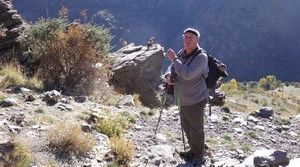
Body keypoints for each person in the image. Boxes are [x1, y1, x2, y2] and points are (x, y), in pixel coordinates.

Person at [164, 28, 209, 165]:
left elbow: (187, 74)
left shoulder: (201, 57)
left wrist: (174, 59)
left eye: (191, 37)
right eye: (186, 37)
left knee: (195, 129)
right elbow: (172, 68)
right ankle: (193, 151)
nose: (187, 40)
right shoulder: (181, 54)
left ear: (197, 40)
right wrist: (167, 76)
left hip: (195, 99)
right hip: (181, 98)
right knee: (187, 127)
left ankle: (199, 156)